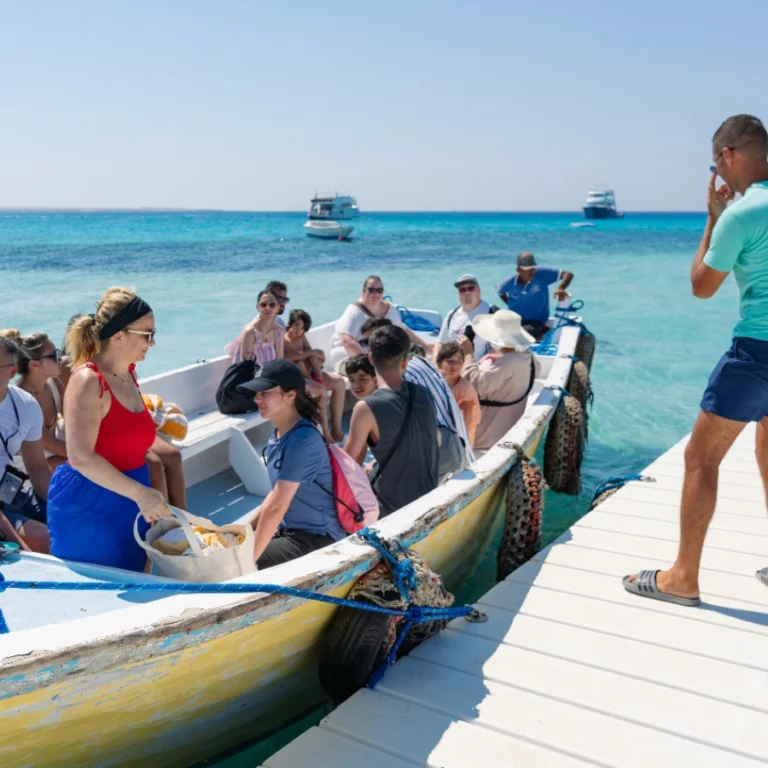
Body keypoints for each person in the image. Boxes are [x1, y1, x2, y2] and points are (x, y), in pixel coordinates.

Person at [624, 114, 768, 606]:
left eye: (716, 163)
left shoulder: (742, 213)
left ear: (729, 155)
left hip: (756, 352)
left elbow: (702, 287)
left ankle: (683, 577)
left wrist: (711, 217)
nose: (718, 173)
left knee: (700, 458)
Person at [47, 287, 171, 572]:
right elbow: (79, 456)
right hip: (90, 507)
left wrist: (145, 495)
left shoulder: (129, 374)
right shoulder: (89, 381)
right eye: (147, 334)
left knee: (135, 584)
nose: (152, 343)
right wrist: (141, 494)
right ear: (119, 336)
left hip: (130, 502)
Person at [237, 359, 346, 568]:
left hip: (318, 539)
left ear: (290, 395)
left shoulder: (303, 440)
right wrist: (241, 532)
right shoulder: (278, 435)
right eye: (256, 393)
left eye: (265, 392)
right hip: (291, 531)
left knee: (233, 565)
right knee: (229, 550)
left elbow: (276, 508)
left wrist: (245, 564)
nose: (257, 398)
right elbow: (274, 496)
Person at [344, 326, 438, 516]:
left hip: (391, 511)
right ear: (405, 360)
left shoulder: (365, 408)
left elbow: (348, 469)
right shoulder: (423, 393)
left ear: (371, 358)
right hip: (428, 499)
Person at [360, 318, 473, 475]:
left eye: (368, 342)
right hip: (460, 454)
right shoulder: (420, 362)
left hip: (440, 463)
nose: (367, 348)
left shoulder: (399, 378)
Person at [459, 310, 541, 455]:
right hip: (508, 427)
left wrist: (468, 355)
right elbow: (530, 370)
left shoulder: (509, 362)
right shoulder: (528, 357)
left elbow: (477, 384)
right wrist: (501, 358)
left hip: (487, 437)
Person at [0, 334, 51, 553]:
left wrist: (65, 511)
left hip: (11, 490)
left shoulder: (26, 405)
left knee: (78, 523)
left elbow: (38, 467)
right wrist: (23, 550)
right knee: (43, 539)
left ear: (12, 371)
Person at [329, 275, 427, 371]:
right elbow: (347, 342)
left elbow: (401, 330)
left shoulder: (390, 309)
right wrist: (370, 365)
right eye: (371, 290)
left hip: (378, 357)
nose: (376, 294)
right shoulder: (353, 312)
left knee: (414, 354)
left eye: (379, 290)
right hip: (348, 358)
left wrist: (425, 345)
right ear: (363, 291)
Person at [5, 330, 67, 469]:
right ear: (34, 365)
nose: (61, 359)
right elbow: (49, 443)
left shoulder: (55, 385)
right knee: (80, 467)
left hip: (49, 453)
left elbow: (74, 421)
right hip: (21, 462)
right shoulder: (21, 399)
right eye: (53, 355)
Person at [284, 309, 345, 443]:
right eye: (295, 326)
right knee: (318, 388)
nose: (297, 330)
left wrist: (316, 356)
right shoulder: (283, 338)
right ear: (289, 324)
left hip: (310, 372)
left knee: (339, 382)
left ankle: (336, 431)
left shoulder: (301, 337)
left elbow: (312, 353)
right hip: (297, 377)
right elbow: (286, 359)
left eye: (301, 328)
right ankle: (325, 433)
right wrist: (306, 355)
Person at [496, 253, 574, 339]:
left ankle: (542, 330)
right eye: (527, 269)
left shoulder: (541, 273)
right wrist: (509, 304)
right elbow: (500, 290)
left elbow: (568, 274)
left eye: (532, 268)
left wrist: (561, 288)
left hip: (536, 320)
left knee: (523, 334)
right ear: (518, 270)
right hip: (515, 320)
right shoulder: (508, 282)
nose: (532, 271)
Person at [433, 274, 491, 362]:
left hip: (477, 369)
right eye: (462, 290)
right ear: (458, 294)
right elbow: (440, 343)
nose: (467, 292)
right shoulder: (451, 315)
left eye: (471, 288)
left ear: (479, 290)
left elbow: (500, 349)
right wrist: (435, 363)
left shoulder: (491, 313)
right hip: (452, 368)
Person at [437, 342, 481, 448]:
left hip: (460, 441)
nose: (455, 366)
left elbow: (465, 424)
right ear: (439, 363)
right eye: (450, 362)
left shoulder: (465, 391)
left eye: (459, 361)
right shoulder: (436, 382)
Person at [226, 289, 285, 366]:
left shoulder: (279, 331)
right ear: (257, 307)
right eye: (263, 305)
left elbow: (279, 362)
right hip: (251, 375)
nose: (268, 308)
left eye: (272, 305)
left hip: (269, 375)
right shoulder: (250, 331)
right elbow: (245, 366)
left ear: (278, 308)